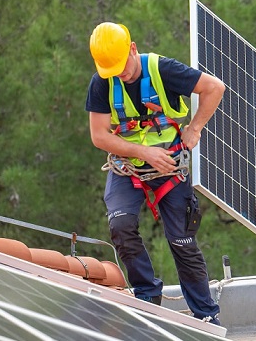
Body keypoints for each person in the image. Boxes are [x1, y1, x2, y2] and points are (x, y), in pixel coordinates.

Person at [85, 22, 225, 324]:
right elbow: (99, 135)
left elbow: (214, 88)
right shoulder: (101, 83)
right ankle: (147, 295)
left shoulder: (163, 70)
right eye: (111, 70)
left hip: (171, 167)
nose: (118, 74)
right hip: (127, 168)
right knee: (121, 226)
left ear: (133, 48)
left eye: (121, 65)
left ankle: (206, 316)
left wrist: (194, 128)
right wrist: (144, 153)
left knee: (182, 241)